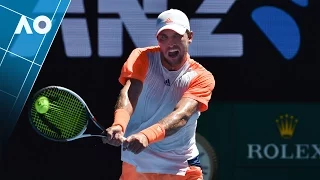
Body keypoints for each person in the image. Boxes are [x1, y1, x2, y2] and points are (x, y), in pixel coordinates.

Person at [102, 8, 215, 180]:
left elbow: (182, 115)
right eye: (164, 37)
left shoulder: (201, 77)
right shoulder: (142, 57)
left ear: (190, 37)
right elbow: (130, 93)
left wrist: (146, 136)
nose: (170, 43)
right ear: (158, 40)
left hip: (181, 166)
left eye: (176, 36)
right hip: (137, 163)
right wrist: (119, 125)